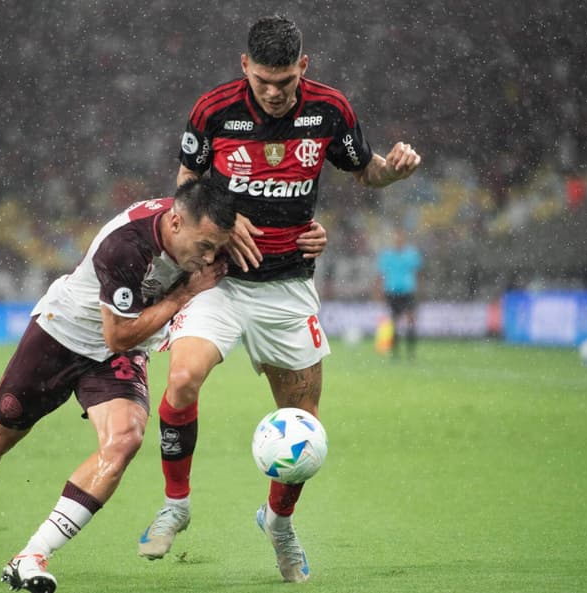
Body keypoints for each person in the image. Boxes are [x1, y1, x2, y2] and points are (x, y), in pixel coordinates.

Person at [137, 14, 421, 583]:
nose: (273, 92)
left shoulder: (330, 110)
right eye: (264, 80)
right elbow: (183, 189)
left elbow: (365, 173)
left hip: (289, 286)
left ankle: (279, 523)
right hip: (219, 280)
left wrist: (393, 170)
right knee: (183, 378)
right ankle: (175, 505)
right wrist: (220, 220)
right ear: (245, 66)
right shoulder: (212, 111)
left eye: (285, 81)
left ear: (303, 67)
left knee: (303, 426)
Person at [0, 177, 236, 592]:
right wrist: (180, 298)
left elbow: (122, 346)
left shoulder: (204, 227)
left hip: (119, 354)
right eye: (204, 247)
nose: (211, 258)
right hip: (63, 335)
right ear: (175, 224)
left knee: (124, 439)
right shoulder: (125, 246)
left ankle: (31, 555)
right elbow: (117, 333)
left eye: (217, 247)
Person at [377, 228, 423, 359]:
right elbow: (381, 275)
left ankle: (411, 352)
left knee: (410, 320)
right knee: (394, 323)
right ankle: (395, 353)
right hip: (392, 292)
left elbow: (418, 274)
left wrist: (420, 291)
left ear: (404, 240)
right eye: (396, 239)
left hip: (408, 291)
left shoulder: (411, 254)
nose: (398, 241)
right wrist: (379, 292)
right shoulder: (387, 256)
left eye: (400, 239)